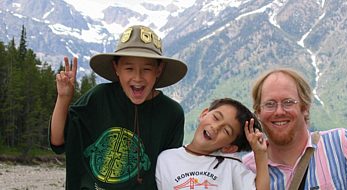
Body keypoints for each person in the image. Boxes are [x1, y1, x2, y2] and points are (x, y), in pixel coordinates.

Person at [49, 25, 188, 189]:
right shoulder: (99, 98)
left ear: (159, 70)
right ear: (116, 68)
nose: (137, 77)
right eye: (129, 68)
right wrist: (63, 98)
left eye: (147, 69)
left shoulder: (171, 114)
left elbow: (169, 172)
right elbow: (58, 142)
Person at [243, 68, 347, 189]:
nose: (279, 111)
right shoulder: (247, 168)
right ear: (258, 113)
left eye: (288, 102)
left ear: (305, 108)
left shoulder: (340, 145)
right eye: (270, 104)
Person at [156, 98, 270, 190]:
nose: (215, 127)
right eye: (216, 117)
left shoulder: (231, 167)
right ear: (204, 114)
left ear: (229, 148)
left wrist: (260, 154)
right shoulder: (166, 159)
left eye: (226, 131)